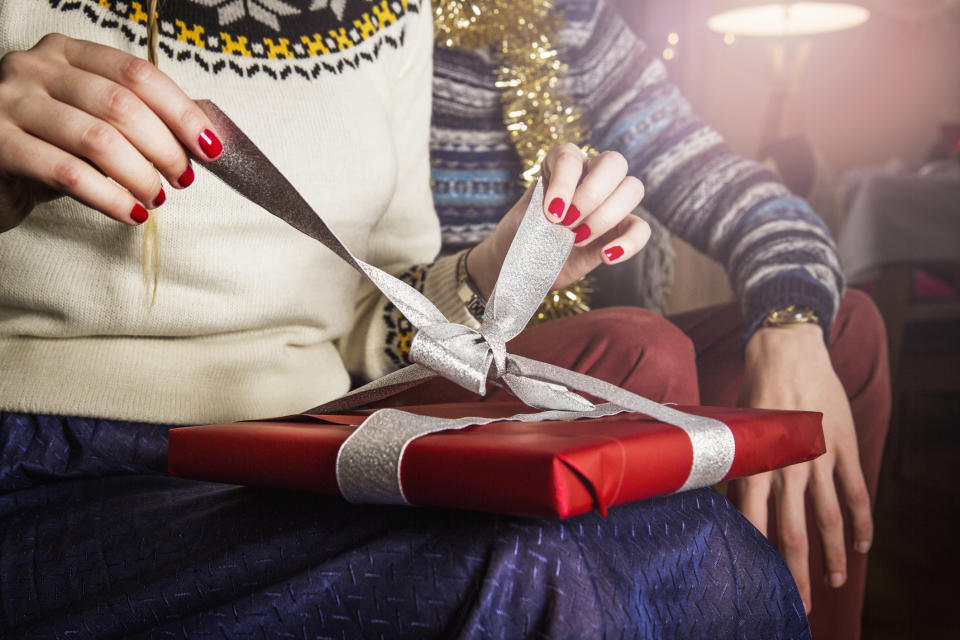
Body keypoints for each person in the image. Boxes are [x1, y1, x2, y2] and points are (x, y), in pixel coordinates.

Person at [0, 0, 811, 638]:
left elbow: (374, 330)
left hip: (295, 456)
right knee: (535, 569)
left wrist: (494, 273)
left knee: (695, 541)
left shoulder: (390, 16)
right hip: (44, 468)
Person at [427, 1, 891, 638]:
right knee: (645, 348)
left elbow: (732, 187)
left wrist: (790, 322)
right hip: (429, 357)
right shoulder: (372, 31)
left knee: (843, 329)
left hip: (560, 355)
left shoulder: (574, 24)